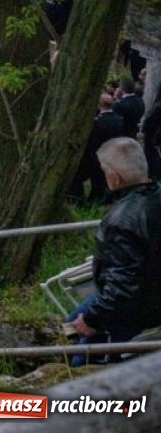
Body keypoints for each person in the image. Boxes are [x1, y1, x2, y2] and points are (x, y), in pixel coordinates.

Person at [68, 137, 161, 358]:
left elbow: (124, 285)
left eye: (103, 170)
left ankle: (82, 371)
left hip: (137, 306)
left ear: (114, 177)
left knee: (81, 353)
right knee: (71, 324)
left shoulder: (122, 221)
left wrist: (92, 319)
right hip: (144, 291)